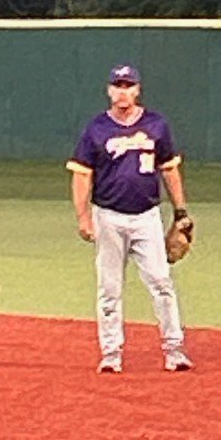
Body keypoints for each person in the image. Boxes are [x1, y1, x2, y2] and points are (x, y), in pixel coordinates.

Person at [67, 64, 193, 373]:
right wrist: (83, 217)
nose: (123, 91)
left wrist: (180, 211)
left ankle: (174, 349)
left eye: (128, 85)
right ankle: (111, 353)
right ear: (109, 91)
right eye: (118, 86)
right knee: (109, 288)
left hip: (147, 216)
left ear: (138, 90)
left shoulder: (156, 125)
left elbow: (169, 169)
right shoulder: (97, 128)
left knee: (161, 281)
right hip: (108, 216)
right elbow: (82, 175)